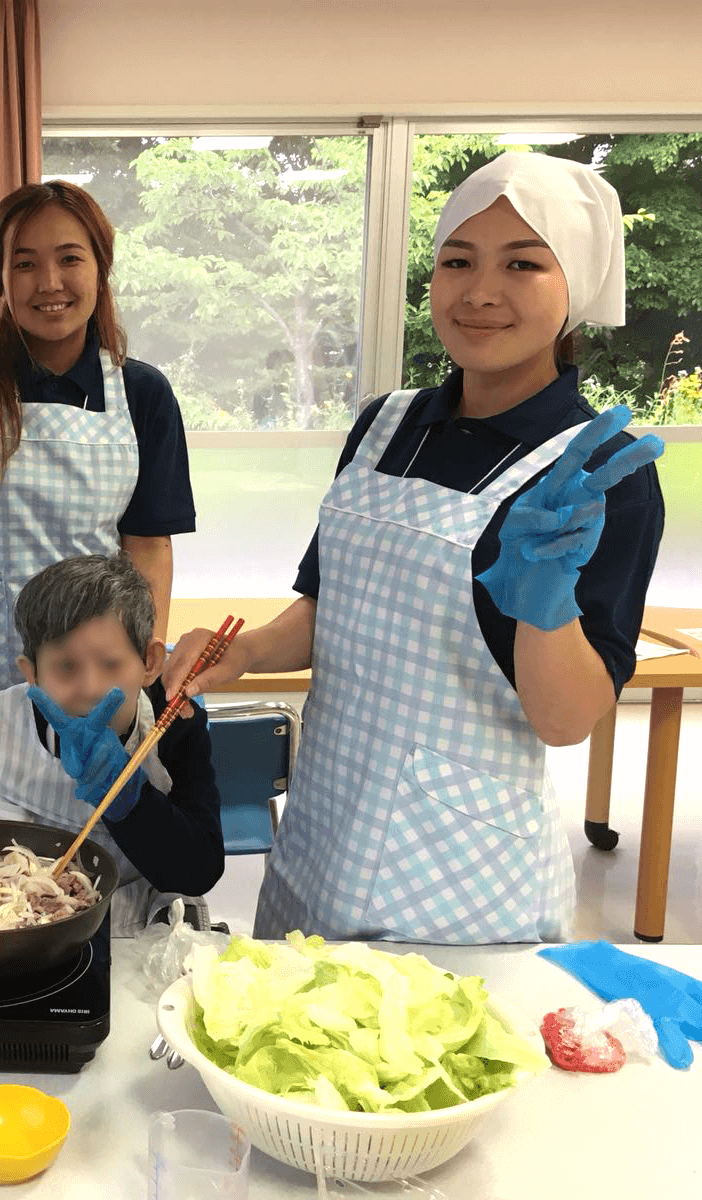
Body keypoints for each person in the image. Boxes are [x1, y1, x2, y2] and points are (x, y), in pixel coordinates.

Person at [166, 152, 666, 946]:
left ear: (574, 290)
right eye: (457, 261)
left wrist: (544, 606)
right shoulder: (387, 424)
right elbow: (330, 605)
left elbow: (566, 719)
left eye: (523, 264)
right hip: (326, 822)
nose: (480, 292)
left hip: (459, 868)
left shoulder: (597, 475)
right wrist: (244, 652)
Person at [0, 181, 196, 764]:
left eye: (69, 259)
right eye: (25, 264)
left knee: (94, 840)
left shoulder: (142, 394)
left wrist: (144, 655)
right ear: (1, 278)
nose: (49, 283)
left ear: (101, 268)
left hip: (95, 684)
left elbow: (148, 543)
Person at [0, 553, 223, 934]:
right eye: (66, 667)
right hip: (17, 926)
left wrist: (128, 797)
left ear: (150, 662)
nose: (91, 689)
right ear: (32, 673)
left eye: (111, 664)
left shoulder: (174, 724)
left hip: (138, 922)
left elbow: (197, 871)